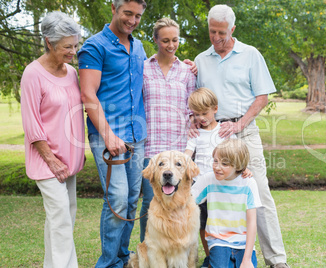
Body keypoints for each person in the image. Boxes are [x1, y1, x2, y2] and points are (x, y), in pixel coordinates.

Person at [194, 4, 290, 268]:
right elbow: (197, 100)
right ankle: (217, 253)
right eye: (212, 31)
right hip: (213, 135)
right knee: (212, 194)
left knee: (259, 192)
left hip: (244, 131)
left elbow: (262, 96)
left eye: (221, 33)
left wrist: (240, 124)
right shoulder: (201, 60)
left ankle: (276, 260)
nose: (216, 38)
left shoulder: (250, 54)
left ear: (232, 29)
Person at [77, 0, 147, 267]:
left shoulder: (138, 46)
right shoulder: (95, 46)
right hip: (107, 136)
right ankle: (107, 263)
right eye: (127, 13)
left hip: (136, 135)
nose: (132, 20)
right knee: (116, 198)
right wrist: (108, 135)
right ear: (114, 9)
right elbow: (87, 94)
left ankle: (121, 257)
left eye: (138, 16)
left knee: (130, 201)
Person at [20, 11, 85, 268]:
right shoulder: (32, 74)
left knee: (64, 216)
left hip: (69, 161)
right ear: (49, 42)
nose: (73, 51)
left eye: (75, 45)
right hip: (47, 162)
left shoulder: (71, 73)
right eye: (67, 46)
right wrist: (52, 160)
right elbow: (32, 124)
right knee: (60, 219)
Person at [139, 17, 196, 242]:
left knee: (181, 201)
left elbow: (193, 109)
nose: (171, 45)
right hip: (151, 148)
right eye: (165, 40)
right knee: (149, 202)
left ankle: (179, 249)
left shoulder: (187, 72)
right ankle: (150, 248)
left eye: (175, 40)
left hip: (180, 149)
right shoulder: (142, 68)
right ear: (155, 40)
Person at [191, 139, 261, 268]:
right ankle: (210, 261)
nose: (217, 167)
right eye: (215, 161)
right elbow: (188, 200)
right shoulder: (208, 180)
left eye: (225, 164)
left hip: (242, 241)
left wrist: (247, 260)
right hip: (218, 241)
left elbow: (252, 223)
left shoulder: (249, 183)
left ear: (238, 166)